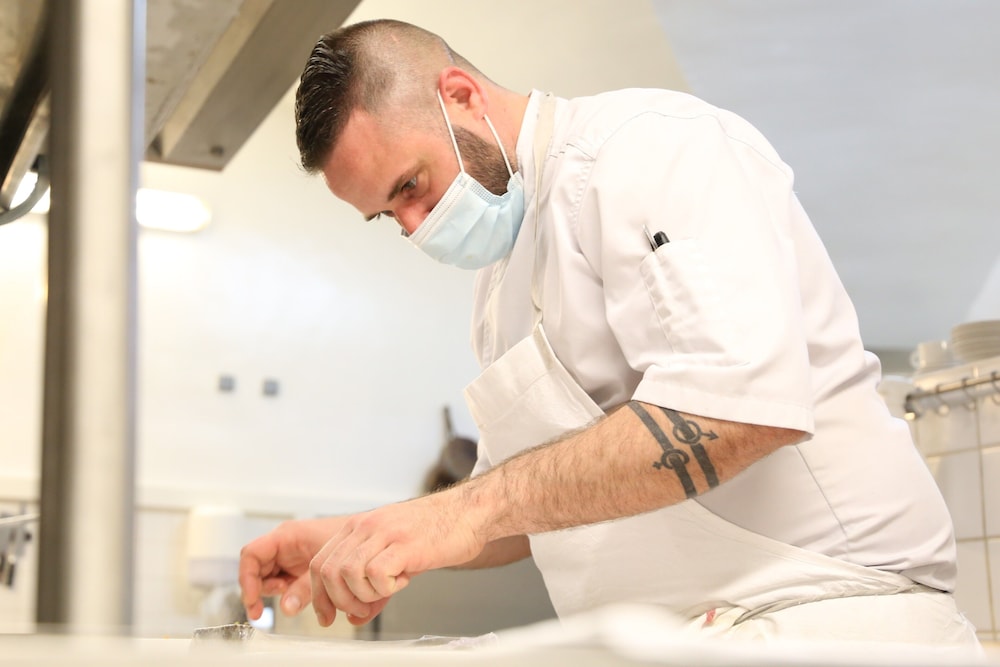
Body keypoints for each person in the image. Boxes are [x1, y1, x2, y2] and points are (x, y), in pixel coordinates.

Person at [239, 18, 980, 646]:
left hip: (828, 619)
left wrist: (464, 510)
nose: (414, 228)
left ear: (460, 95)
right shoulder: (499, 283)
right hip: (672, 638)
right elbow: (526, 512)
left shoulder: (651, 150)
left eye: (410, 186)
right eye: (387, 216)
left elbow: (737, 409)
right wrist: (367, 537)